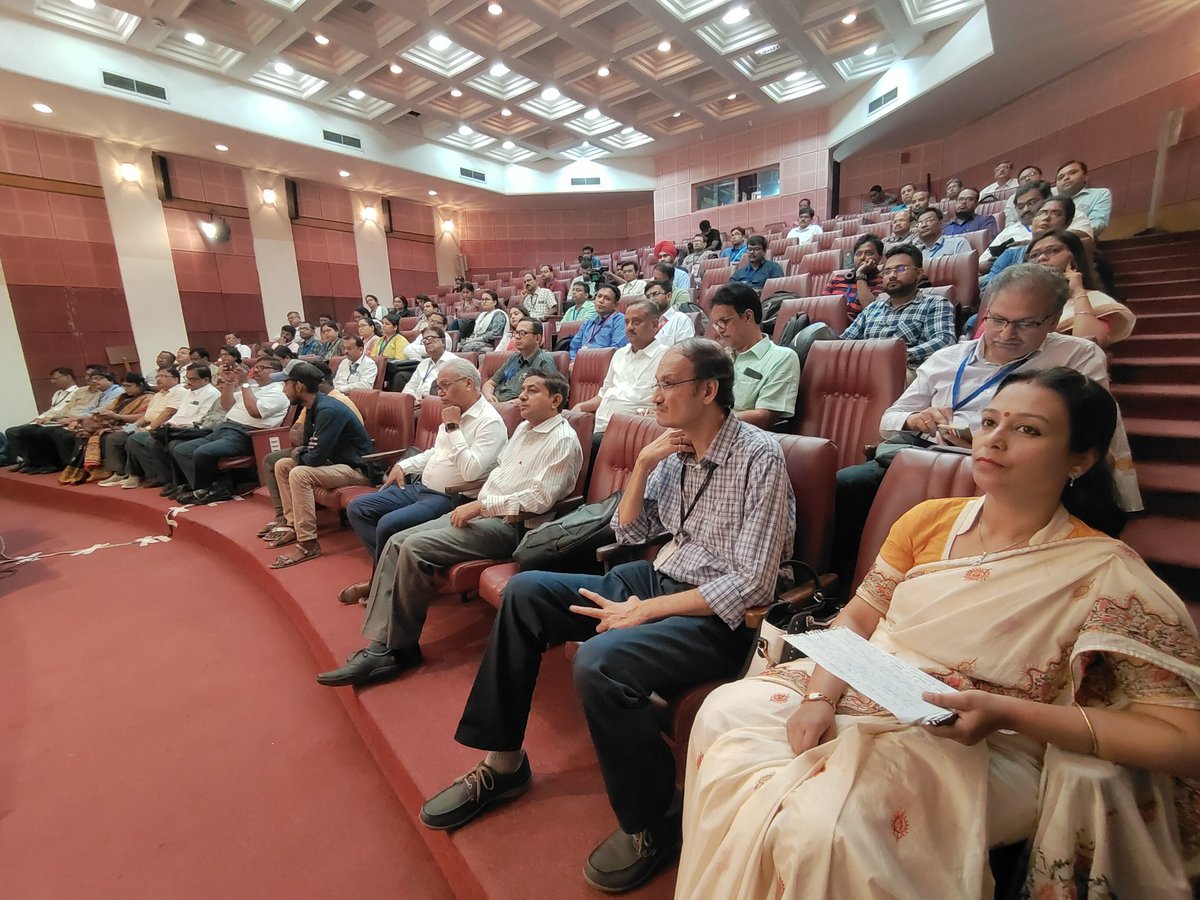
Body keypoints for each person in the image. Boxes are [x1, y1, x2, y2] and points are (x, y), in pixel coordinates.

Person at [676, 367, 1200, 900]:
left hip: (994, 738)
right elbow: (859, 617)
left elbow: (1184, 741)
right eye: (991, 420)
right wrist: (817, 696)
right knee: (723, 713)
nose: (993, 437)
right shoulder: (928, 520)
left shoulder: (1105, 573)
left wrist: (1009, 714)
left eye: (1028, 430)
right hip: (869, 686)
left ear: (1080, 460)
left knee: (821, 828)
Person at [420, 338, 796, 893]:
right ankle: (503, 765)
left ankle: (654, 821)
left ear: (709, 390)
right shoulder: (674, 448)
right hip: (650, 581)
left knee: (600, 662)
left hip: (714, 615)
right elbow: (630, 532)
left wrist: (647, 610)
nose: (655, 395)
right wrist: (643, 465)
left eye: (667, 384)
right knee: (525, 594)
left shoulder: (760, 456)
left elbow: (753, 583)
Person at [831, 264, 1140, 584]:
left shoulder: (1076, 357)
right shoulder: (948, 358)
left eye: (1025, 324)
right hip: (933, 453)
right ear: (986, 313)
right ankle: (844, 580)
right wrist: (915, 419)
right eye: (999, 320)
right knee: (848, 483)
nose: (1007, 334)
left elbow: (1089, 429)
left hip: (1017, 469)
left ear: (1052, 320)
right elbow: (889, 420)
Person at [316, 369, 582, 687]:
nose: (522, 396)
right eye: (522, 389)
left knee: (414, 547)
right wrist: (477, 503)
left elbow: (539, 499)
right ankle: (384, 645)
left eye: (532, 391)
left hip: (514, 527)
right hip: (481, 514)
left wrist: (480, 505)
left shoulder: (563, 440)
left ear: (555, 400)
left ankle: (395, 650)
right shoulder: (525, 429)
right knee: (397, 540)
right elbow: (498, 474)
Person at [340, 359, 508, 600]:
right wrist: (404, 465)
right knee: (358, 507)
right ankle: (393, 574)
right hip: (420, 487)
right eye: (438, 387)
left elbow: (472, 471)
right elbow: (435, 453)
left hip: (449, 497)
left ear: (469, 383)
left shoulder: (489, 422)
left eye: (445, 386)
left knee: (389, 523)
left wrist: (453, 427)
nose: (440, 393)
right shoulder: (453, 411)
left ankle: (381, 584)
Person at [267, 363, 373, 568]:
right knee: (282, 465)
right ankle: (293, 526)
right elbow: (307, 446)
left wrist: (302, 453)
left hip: (356, 469)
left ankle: (308, 543)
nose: (283, 389)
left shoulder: (329, 409)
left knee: (299, 473)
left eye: (286, 384)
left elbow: (313, 457)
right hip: (333, 465)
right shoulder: (312, 406)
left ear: (298, 386)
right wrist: (303, 452)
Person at [171, 356, 290, 504]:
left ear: (276, 372)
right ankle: (210, 486)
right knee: (181, 449)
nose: (257, 370)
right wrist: (228, 382)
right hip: (224, 429)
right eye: (256, 367)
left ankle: (206, 489)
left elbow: (255, 412)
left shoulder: (278, 392)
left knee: (203, 453)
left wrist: (245, 384)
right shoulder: (254, 388)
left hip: (245, 435)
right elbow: (226, 405)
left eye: (263, 368)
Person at [841, 244, 957, 372]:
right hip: (864, 368)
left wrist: (894, 355)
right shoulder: (873, 308)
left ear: (918, 273)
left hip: (906, 369)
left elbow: (944, 341)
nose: (892, 276)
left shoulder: (935, 303)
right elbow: (845, 340)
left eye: (901, 269)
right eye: (887, 271)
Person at [573, 299, 665, 445]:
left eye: (636, 322)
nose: (629, 327)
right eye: (626, 322)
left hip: (632, 431)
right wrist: (581, 407)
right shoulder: (619, 354)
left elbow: (667, 402)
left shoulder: (665, 357)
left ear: (654, 325)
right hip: (599, 426)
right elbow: (603, 395)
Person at [1026, 229, 1135, 348]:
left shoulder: (1096, 300)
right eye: (1034, 255)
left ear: (1074, 259)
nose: (1041, 258)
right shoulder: (1020, 302)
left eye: (1053, 250)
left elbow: (1088, 344)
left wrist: (1077, 290)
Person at [711, 282, 799, 429]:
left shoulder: (781, 358)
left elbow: (765, 416)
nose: (719, 330)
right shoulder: (719, 357)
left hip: (745, 441)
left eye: (724, 322)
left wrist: (711, 421)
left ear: (747, 316)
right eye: (717, 323)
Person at [123, 363, 223, 490]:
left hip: (195, 430)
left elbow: (202, 418)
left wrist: (176, 425)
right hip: (178, 428)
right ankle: (169, 481)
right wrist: (169, 424)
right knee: (153, 441)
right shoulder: (188, 392)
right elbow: (179, 413)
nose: (189, 382)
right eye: (187, 378)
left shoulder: (211, 393)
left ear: (206, 380)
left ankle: (185, 483)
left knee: (171, 445)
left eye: (193, 379)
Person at [98, 367, 186, 487]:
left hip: (162, 427)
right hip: (148, 424)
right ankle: (120, 472)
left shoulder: (179, 391)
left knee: (134, 439)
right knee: (115, 437)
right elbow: (147, 415)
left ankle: (139, 475)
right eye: (157, 376)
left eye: (164, 376)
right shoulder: (159, 394)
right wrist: (132, 426)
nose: (159, 379)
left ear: (176, 379)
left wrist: (148, 428)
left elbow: (169, 413)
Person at [58, 372, 152, 484]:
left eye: (129, 386)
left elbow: (144, 416)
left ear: (140, 385)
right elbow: (110, 408)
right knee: (84, 435)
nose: (126, 389)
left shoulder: (148, 397)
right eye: (124, 386)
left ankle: (120, 472)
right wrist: (102, 414)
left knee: (111, 437)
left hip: (135, 425)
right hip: (116, 423)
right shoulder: (122, 397)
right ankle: (91, 470)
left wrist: (117, 417)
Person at [5, 367, 83, 471]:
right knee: (12, 431)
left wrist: (49, 417)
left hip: (61, 420)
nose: (54, 381)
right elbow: (53, 409)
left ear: (68, 377)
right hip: (48, 419)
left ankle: (49, 463)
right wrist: (40, 418)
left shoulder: (78, 392)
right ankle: (26, 461)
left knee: (36, 432)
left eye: (56, 378)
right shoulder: (58, 393)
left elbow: (66, 410)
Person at [484, 320, 557, 405]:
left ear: (537, 338)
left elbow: (543, 394)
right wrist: (488, 396)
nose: (517, 337)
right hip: (495, 404)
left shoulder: (544, 360)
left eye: (522, 333)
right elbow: (491, 383)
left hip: (517, 408)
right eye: (516, 333)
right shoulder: (514, 358)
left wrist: (509, 404)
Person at [822, 234, 884, 319]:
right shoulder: (837, 278)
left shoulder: (882, 281)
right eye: (858, 254)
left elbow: (870, 308)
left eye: (868, 253)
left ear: (879, 257)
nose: (862, 258)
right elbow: (822, 307)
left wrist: (860, 275)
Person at [401, 325, 460, 408]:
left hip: (439, 405)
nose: (427, 342)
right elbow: (410, 386)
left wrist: (428, 402)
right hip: (417, 404)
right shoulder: (423, 364)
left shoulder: (454, 362)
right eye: (424, 340)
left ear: (443, 341)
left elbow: (455, 392)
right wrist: (413, 399)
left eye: (431, 338)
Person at [569, 284, 628, 364]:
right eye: (599, 296)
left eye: (607, 298)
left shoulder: (620, 320)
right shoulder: (588, 322)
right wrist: (573, 361)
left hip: (601, 364)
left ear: (616, 305)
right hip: (580, 362)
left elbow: (617, 349)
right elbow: (574, 345)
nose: (601, 300)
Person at [1055, 160, 1112, 235]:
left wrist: (1064, 236)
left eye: (1072, 172)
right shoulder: (1050, 200)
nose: (1066, 178)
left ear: (1085, 177)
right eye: (1060, 177)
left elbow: (1098, 224)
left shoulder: (1100, 194)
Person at [647, 280, 694, 347]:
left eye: (656, 294)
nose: (651, 299)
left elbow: (685, 351)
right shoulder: (646, 322)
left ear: (668, 296)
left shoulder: (681, 320)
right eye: (648, 296)